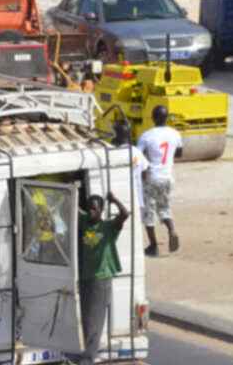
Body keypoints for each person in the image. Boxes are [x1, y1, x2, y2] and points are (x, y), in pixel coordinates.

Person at [78, 192, 129, 365]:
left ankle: (88, 358)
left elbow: (125, 214)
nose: (91, 212)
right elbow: (72, 208)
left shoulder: (108, 227)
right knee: (86, 318)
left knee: (95, 319)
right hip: (86, 277)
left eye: (95, 209)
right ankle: (86, 352)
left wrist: (115, 200)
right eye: (89, 209)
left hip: (101, 278)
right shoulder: (84, 221)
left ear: (101, 210)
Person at [136, 105, 182, 256]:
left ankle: (153, 246)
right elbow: (180, 153)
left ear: (153, 117)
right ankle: (172, 229)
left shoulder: (146, 136)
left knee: (149, 213)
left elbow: (137, 157)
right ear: (166, 117)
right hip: (167, 178)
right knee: (164, 207)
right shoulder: (175, 134)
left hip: (151, 178)